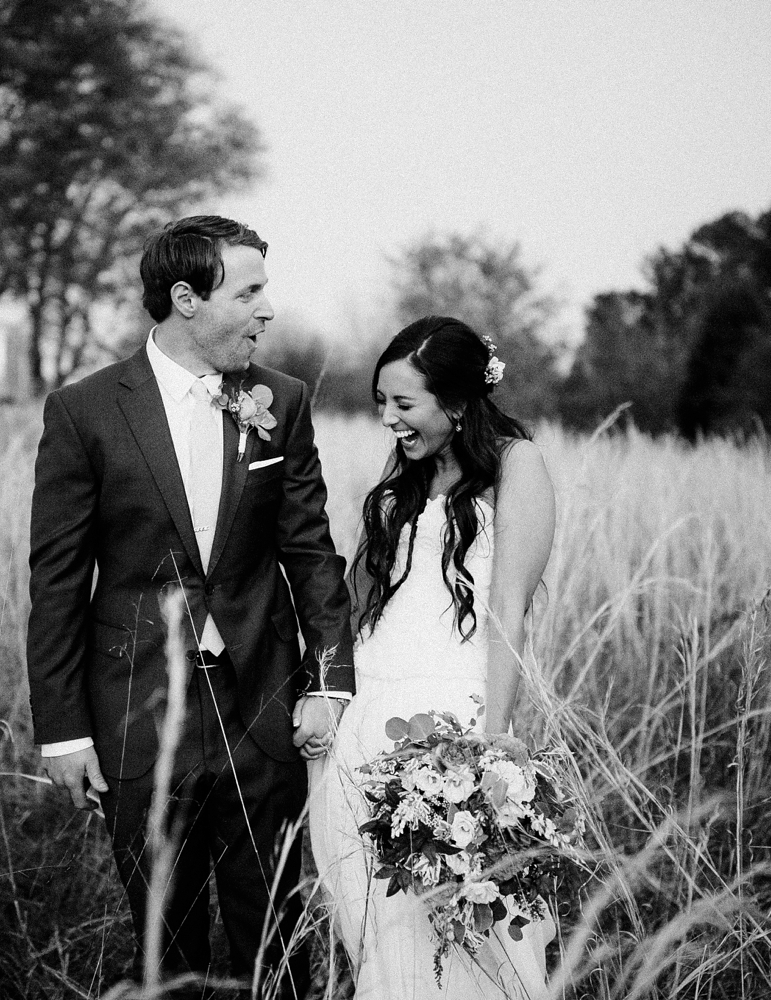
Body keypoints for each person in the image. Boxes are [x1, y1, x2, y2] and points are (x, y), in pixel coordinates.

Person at [26, 215, 356, 998]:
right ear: (186, 298)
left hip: (261, 706)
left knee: (273, 926)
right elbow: (58, 582)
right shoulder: (86, 411)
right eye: (249, 292)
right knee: (163, 937)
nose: (267, 310)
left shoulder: (282, 399)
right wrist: (65, 731)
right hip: (139, 710)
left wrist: (328, 680)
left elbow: (311, 550)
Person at [307, 316, 557, 998]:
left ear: (455, 402)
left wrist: (493, 744)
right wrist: (326, 691)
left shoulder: (516, 464)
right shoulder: (409, 470)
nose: (388, 418)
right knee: (378, 931)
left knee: (457, 934)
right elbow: (359, 599)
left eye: (403, 404)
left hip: (448, 724)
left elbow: (509, 608)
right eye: (380, 402)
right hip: (362, 722)